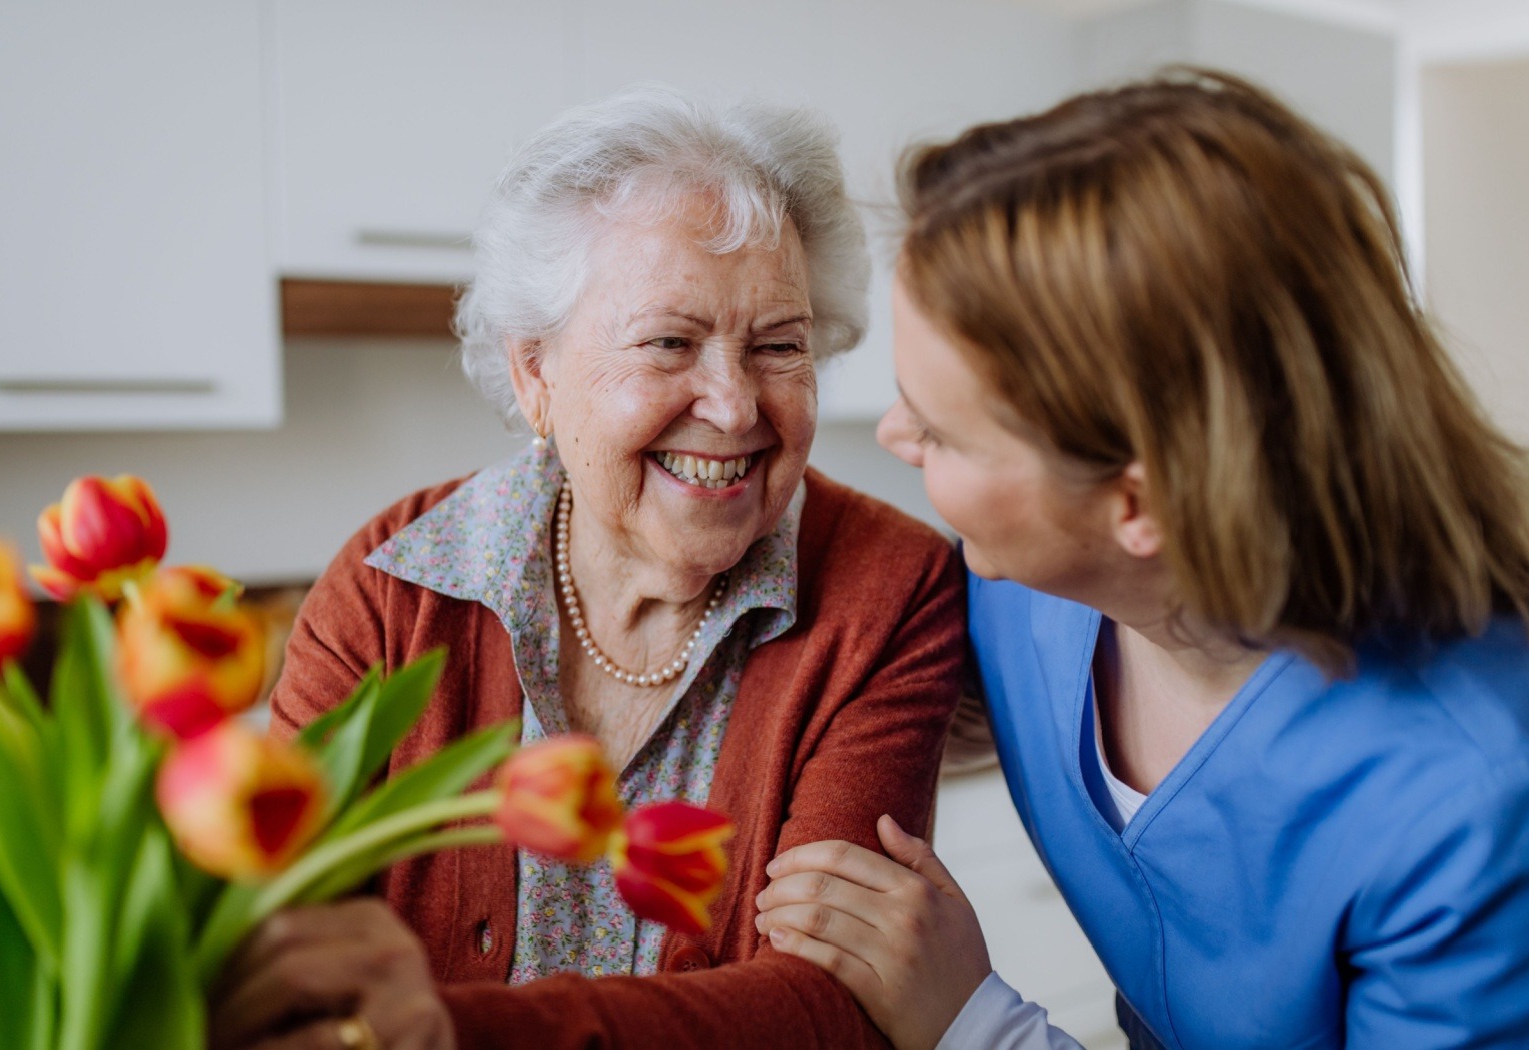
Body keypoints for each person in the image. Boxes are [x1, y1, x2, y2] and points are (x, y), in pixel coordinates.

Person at [756, 69, 1529, 1049]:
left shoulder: (1485, 795)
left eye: (942, 434)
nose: (896, 436)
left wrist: (977, 1026)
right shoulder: (1030, 597)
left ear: (1137, 501)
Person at [211, 87, 966, 1050]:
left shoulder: (888, 589)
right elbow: (268, 946)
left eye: (780, 345)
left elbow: (837, 1007)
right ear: (536, 374)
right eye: (669, 343)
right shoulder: (392, 588)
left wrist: (447, 1030)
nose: (734, 406)